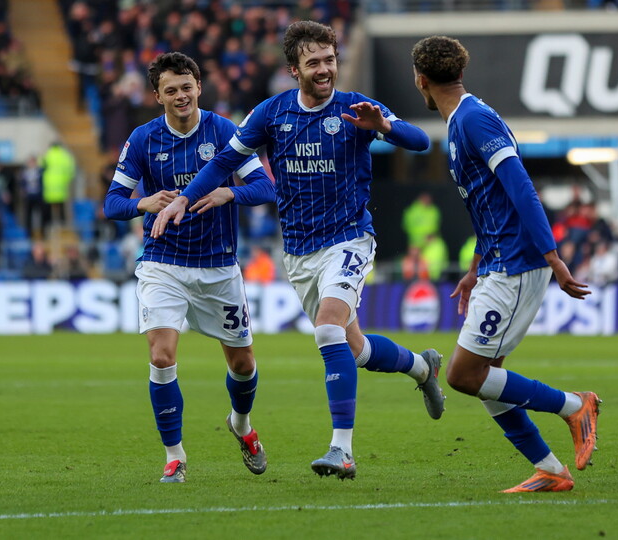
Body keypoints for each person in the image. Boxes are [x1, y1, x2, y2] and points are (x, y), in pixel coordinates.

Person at [152, 21, 445, 481]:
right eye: (314, 62)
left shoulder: (355, 107)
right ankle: (422, 368)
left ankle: (341, 451)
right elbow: (225, 162)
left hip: (349, 238)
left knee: (328, 330)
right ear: (294, 69)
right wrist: (187, 198)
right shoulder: (271, 114)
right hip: (301, 252)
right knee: (356, 348)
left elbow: (423, 140)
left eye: (330, 60)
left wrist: (383, 125)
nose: (325, 69)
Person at [410, 35, 599, 493]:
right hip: (496, 261)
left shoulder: (474, 120)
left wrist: (553, 258)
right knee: (485, 377)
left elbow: (521, 188)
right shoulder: (460, 123)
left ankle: (574, 405)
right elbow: (488, 206)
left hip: (516, 264)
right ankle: (551, 471)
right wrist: (474, 267)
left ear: (421, 80)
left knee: (462, 375)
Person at [104, 52, 276, 484]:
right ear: (157, 95)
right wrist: (142, 202)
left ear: (199, 86)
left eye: (187, 87)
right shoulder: (143, 139)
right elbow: (111, 203)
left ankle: (241, 424)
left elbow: (264, 186)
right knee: (161, 355)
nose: (180, 96)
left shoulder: (225, 132)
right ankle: (174, 456)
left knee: (242, 365)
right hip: (163, 263)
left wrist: (227, 195)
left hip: (218, 267)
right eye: (171, 90)